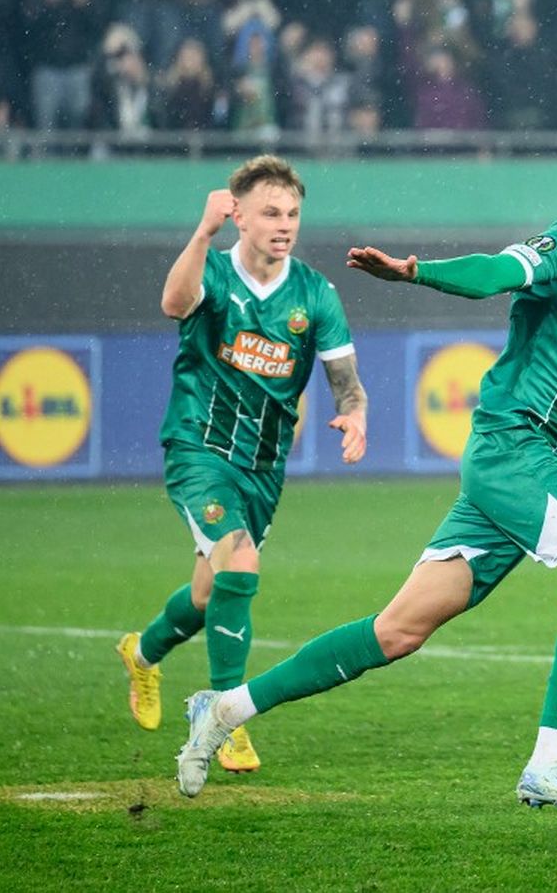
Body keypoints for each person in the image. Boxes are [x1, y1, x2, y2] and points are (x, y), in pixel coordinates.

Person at [172, 138, 557, 816]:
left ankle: (225, 708)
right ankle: (550, 762)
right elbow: (496, 272)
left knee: (396, 632)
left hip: (541, 470)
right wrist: (416, 272)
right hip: (512, 448)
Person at [116, 155, 368, 776]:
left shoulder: (314, 293)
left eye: (293, 214)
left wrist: (355, 414)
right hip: (199, 449)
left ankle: (142, 654)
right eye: (271, 213)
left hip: (263, 467)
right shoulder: (212, 271)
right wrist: (202, 233)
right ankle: (224, 714)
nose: (285, 225)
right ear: (240, 218)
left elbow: (345, 380)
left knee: (210, 593)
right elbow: (174, 303)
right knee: (242, 559)